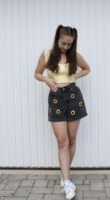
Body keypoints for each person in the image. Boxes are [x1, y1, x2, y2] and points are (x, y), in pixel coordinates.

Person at [34, 25, 90, 200]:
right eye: (63, 43)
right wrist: (46, 79)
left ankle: (65, 176)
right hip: (56, 99)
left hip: (74, 97)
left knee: (72, 139)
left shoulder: (75, 56)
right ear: (57, 38)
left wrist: (74, 77)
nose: (66, 47)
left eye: (69, 44)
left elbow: (87, 69)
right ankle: (67, 183)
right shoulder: (47, 54)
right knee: (62, 142)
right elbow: (36, 73)